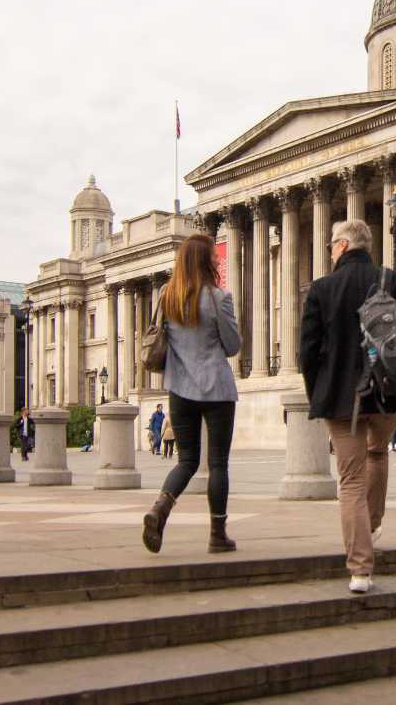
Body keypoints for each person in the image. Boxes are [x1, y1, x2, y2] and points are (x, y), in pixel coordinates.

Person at [299, 219, 396, 595]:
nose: (329, 251)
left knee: (350, 480)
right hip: (388, 391)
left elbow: (307, 350)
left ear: (341, 246)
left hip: (341, 396)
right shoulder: (392, 280)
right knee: (377, 454)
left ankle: (360, 568)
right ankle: (371, 524)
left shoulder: (322, 288)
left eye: (330, 245)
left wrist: (317, 391)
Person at [141, 233, 243, 556]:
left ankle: (159, 510)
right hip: (217, 388)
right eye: (213, 256)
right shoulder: (218, 298)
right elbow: (234, 345)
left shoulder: (166, 297)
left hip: (180, 388)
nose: (217, 259)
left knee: (186, 461)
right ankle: (217, 534)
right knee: (218, 464)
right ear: (203, 260)